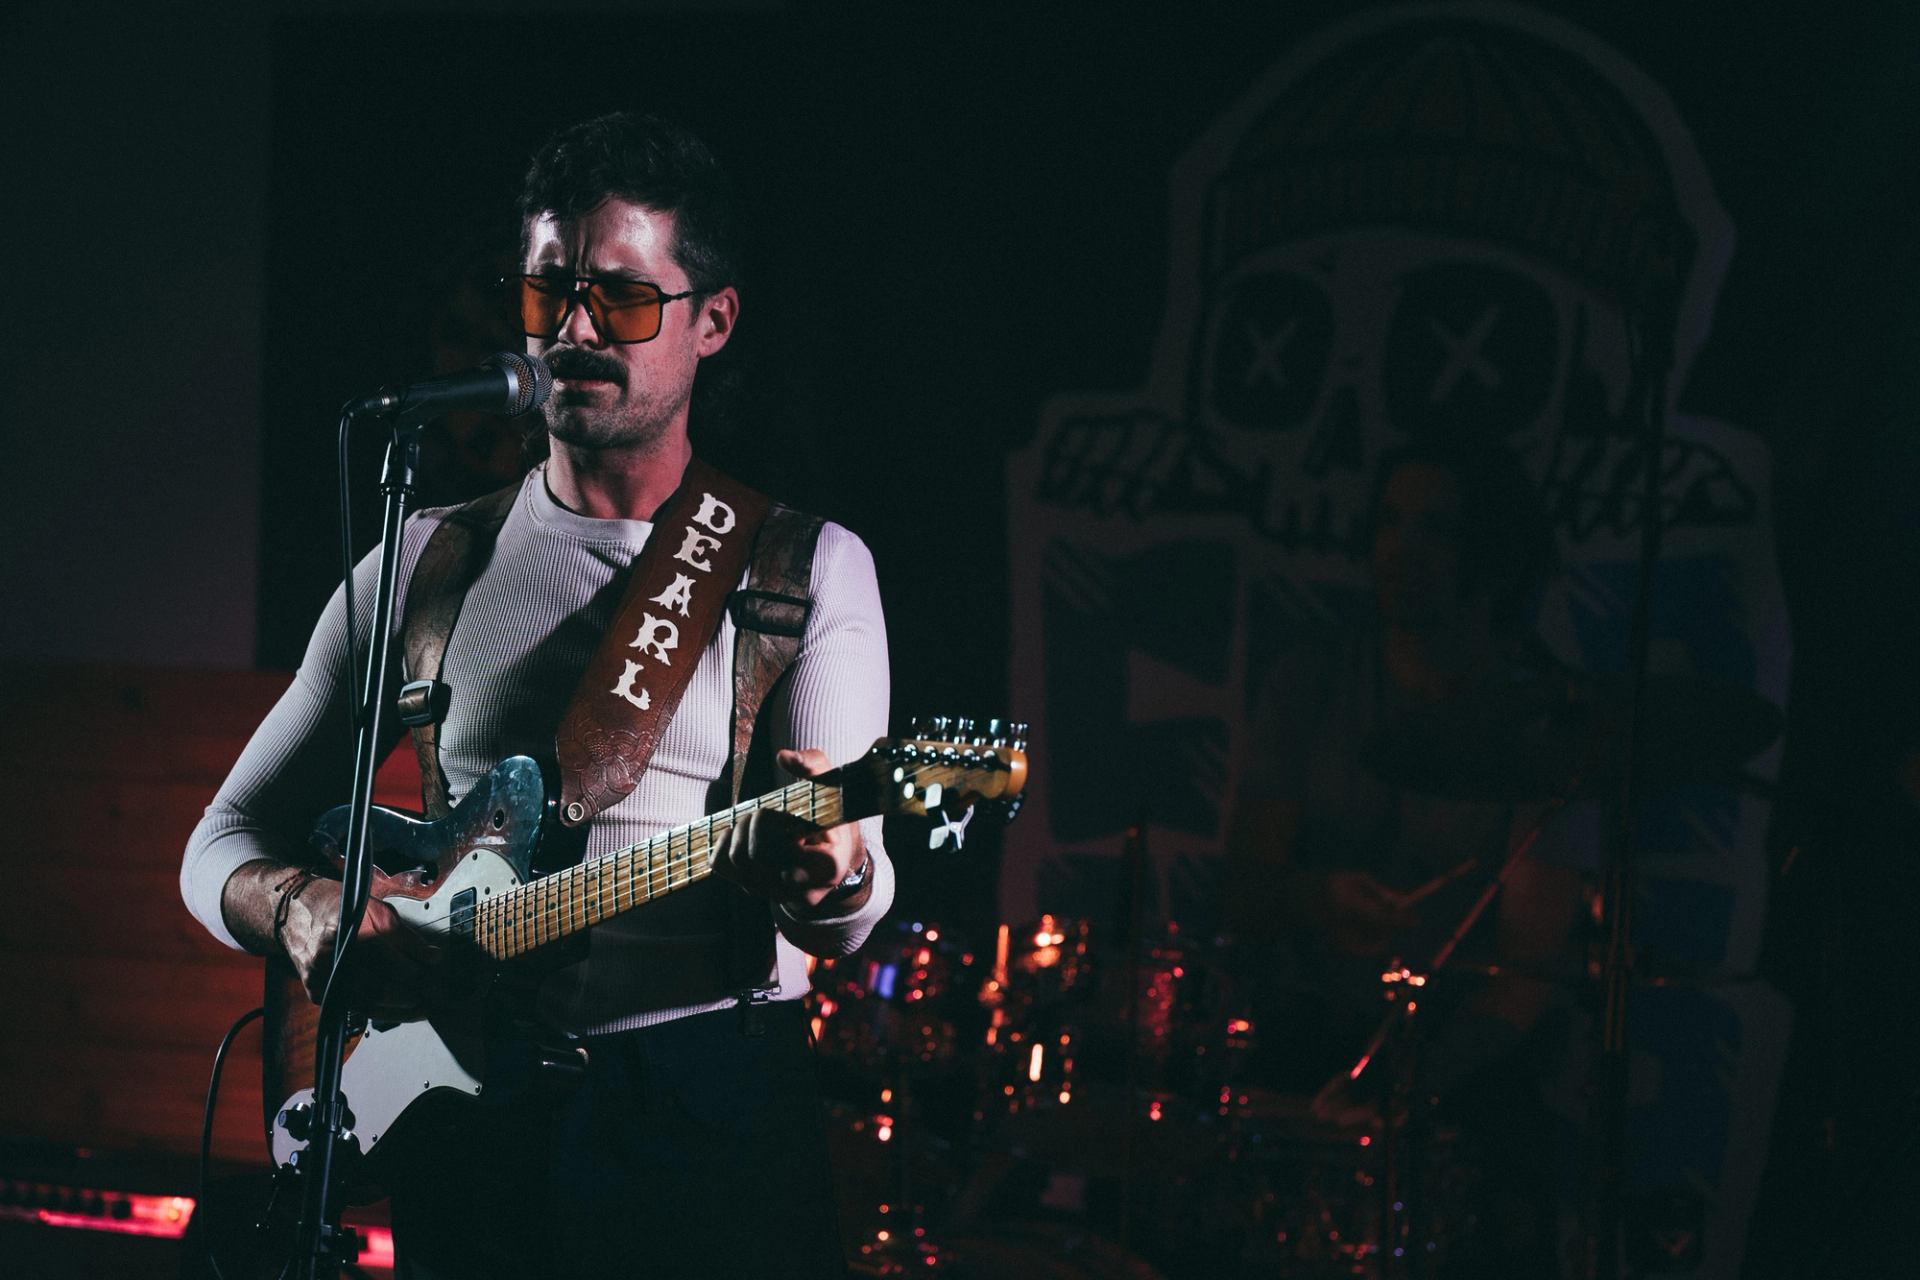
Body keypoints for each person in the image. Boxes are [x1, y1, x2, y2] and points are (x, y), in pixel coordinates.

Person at [180, 112, 891, 1279]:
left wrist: (841, 865)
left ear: (713, 319)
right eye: (548, 291)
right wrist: (302, 904)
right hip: (471, 1111)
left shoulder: (801, 567)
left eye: (619, 298)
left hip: (707, 1114)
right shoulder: (421, 561)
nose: (573, 329)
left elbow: (849, 905)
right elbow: (218, 842)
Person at [1221, 433, 1591, 1275]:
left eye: (1436, 530)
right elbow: (1243, 890)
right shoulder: (1311, 681)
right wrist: (1316, 901)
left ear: (1494, 558)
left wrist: (1406, 1084)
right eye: (1389, 523)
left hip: (1465, 1074)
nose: (1400, 549)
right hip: (1307, 1047)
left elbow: (1528, 975)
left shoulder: (1546, 723)